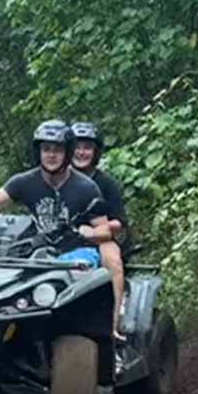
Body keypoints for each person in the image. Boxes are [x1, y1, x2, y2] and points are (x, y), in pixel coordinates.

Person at [0, 119, 125, 340]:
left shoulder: (86, 187)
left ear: (67, 153)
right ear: (38, 152)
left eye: (57, 150)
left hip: (74, 253)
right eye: (46, 149)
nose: (51, 155)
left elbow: (105, 230)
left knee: (92, 278)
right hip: (33, 252)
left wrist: (90, 233)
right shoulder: (24, 181)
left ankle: (110, 328)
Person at [71, 122, 128, 339]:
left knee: (112, 259)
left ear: (95, 152)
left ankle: (112, 326)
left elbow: (118, 222)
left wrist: (96, 231)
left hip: (99, 239)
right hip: (60, 238)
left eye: (87, 147)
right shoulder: (58, 178)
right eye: (77, 146)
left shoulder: (105, 183)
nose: (81, 152)